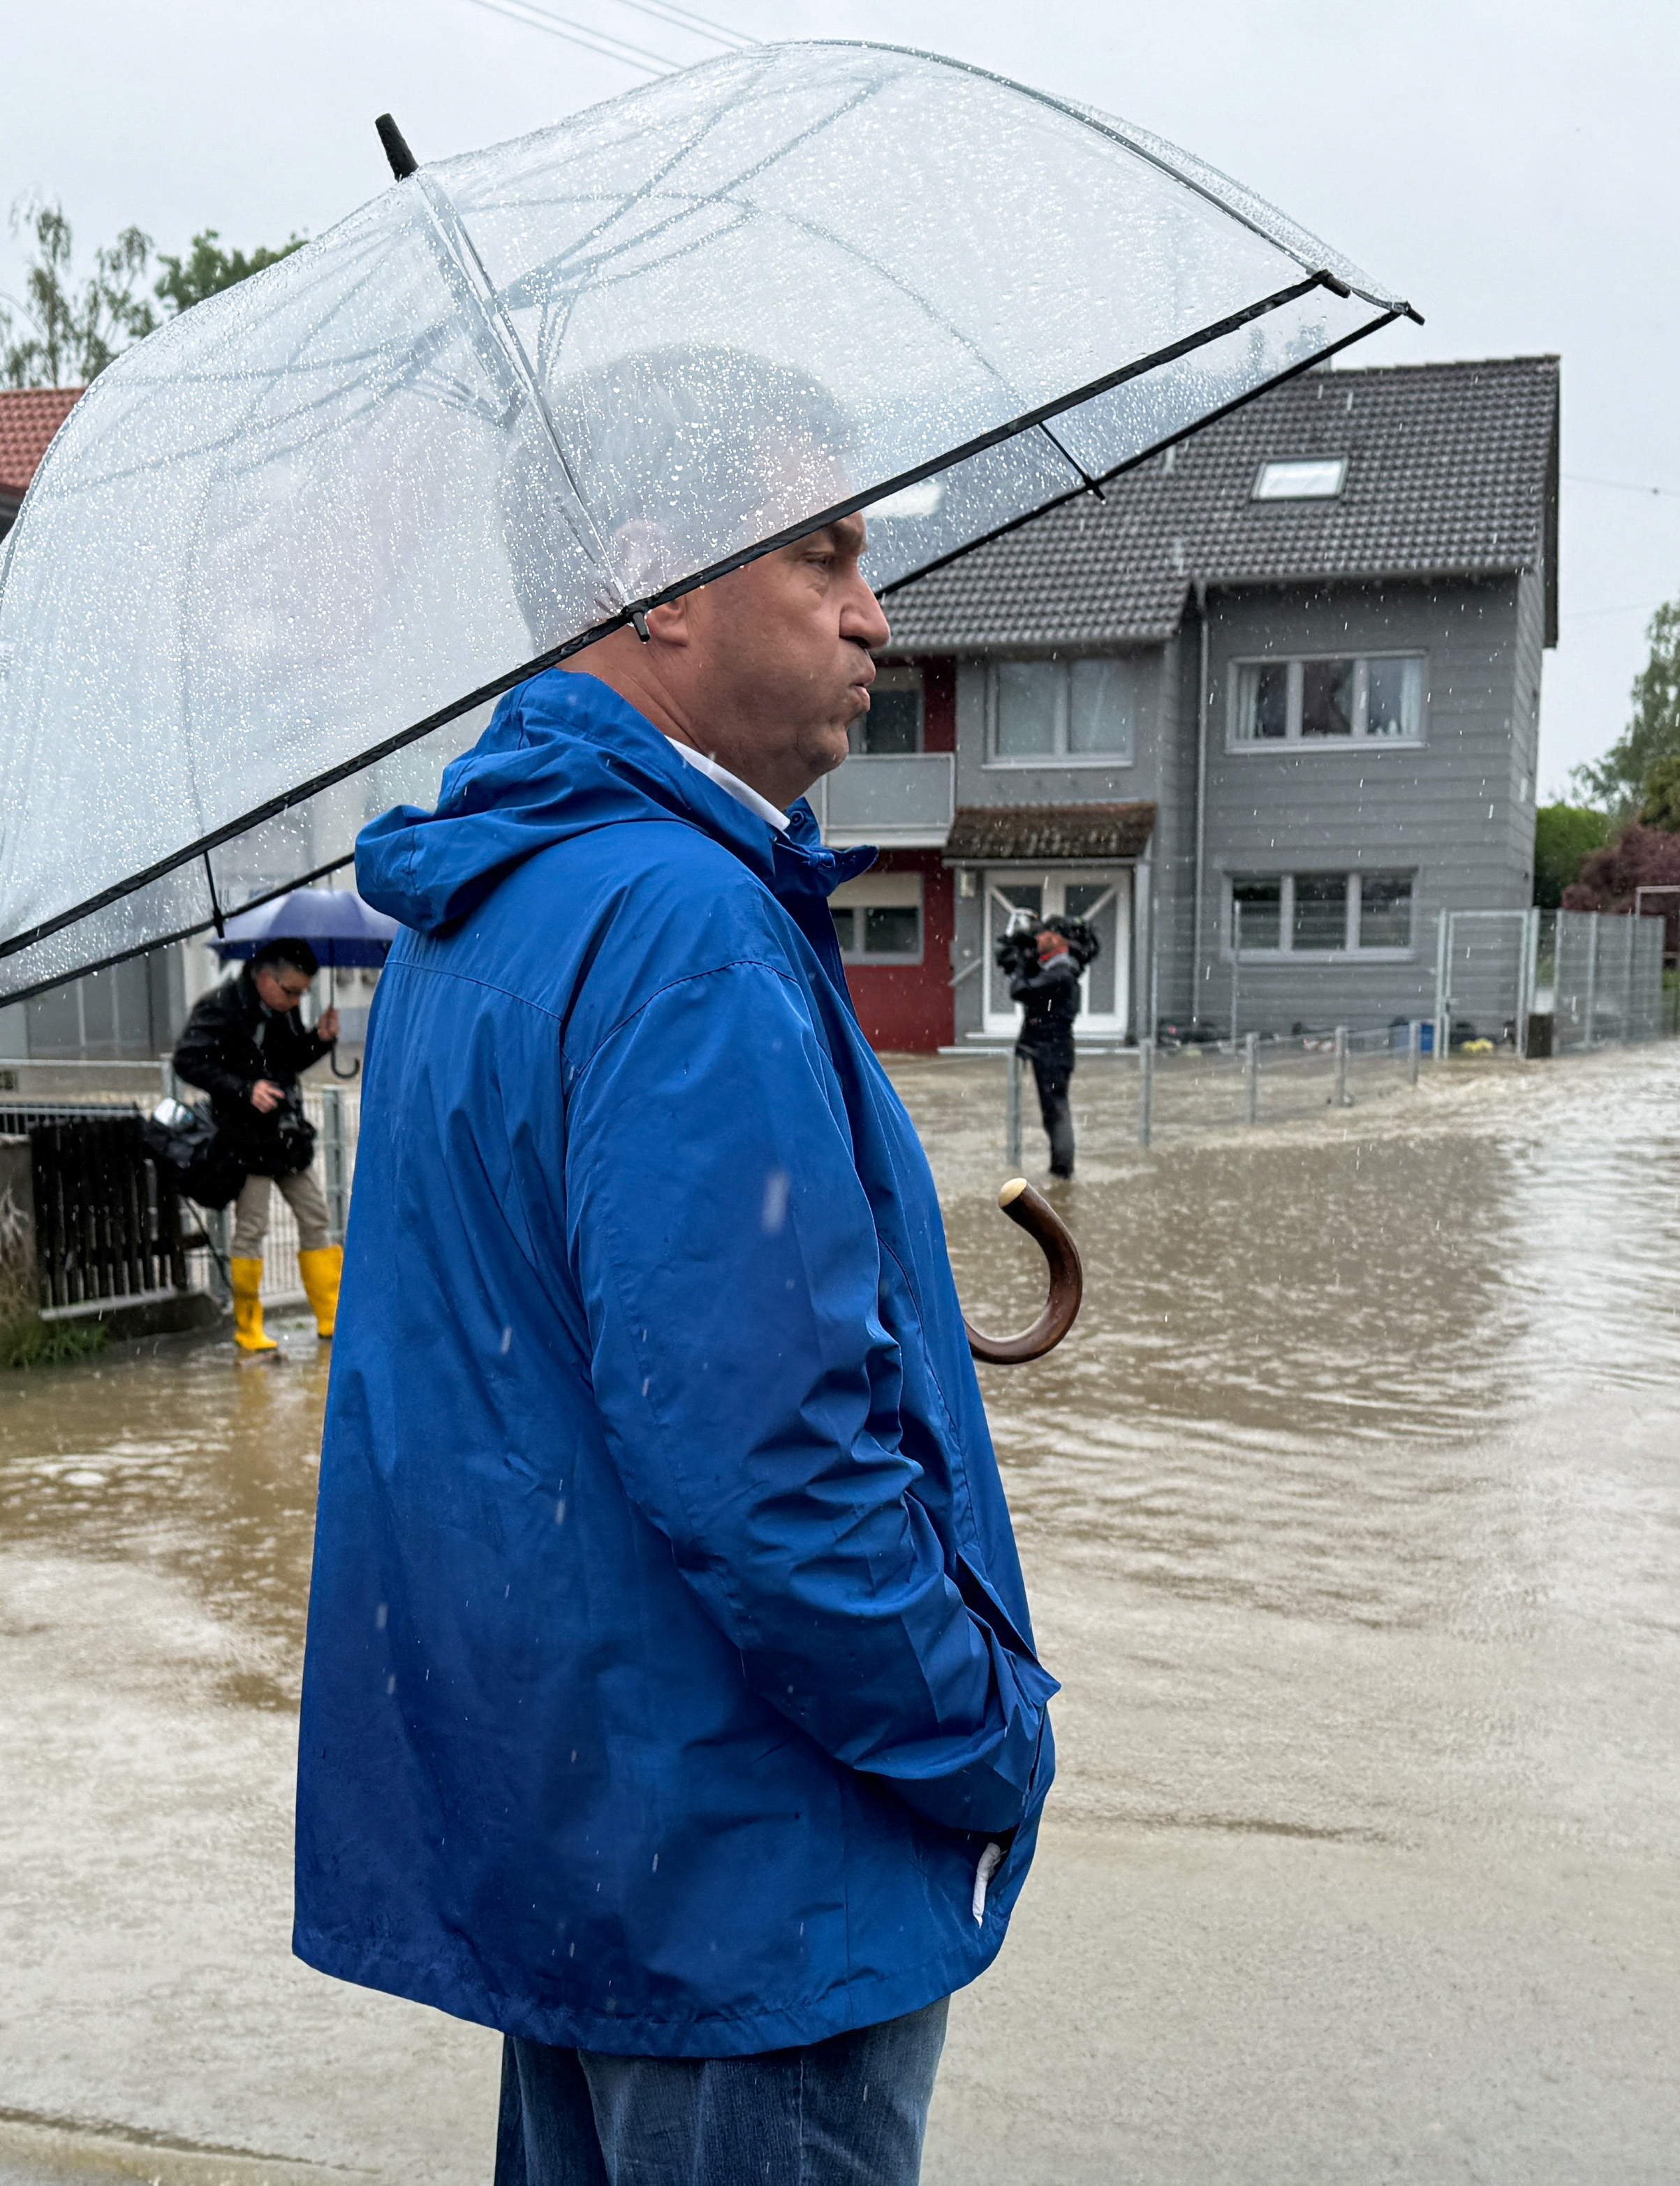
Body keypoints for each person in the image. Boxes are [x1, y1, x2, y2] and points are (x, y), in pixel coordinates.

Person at [298, 352, 1053, 2186]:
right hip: (747, 1890)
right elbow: (770, 1474)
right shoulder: (687, 923)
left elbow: (524, 1392)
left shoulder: (481, 911)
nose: (876, 614)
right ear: (658, 583)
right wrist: (987, 1739)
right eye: (821, 553)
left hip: (583, 1844)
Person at [172, 934, 341, 1355]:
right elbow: (186, 1061)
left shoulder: (282, 1009)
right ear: (263, 977)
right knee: (253, 1227)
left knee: (315, 1215)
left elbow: (288, 1062)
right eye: (291, 991)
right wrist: (244, 1090)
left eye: (303, 993)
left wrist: (320, 1039)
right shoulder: (221, 1006)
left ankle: (331, 1318)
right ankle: (249, 1326)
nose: (297, 1000)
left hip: (286, 1137)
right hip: (244, 1140)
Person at [1008, 923, 1080, 1181]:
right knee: (1053, 1112)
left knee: (1056, 1111)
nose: (1038, 939)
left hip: (1052, 1051)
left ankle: (1062, 1173)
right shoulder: (1055, 969)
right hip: (1048, 1049)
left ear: (1057, 938)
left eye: (1043, 934)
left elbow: (1020, 991)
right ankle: (1060, 1169)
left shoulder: (1061, 973)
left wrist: (1020, 964)